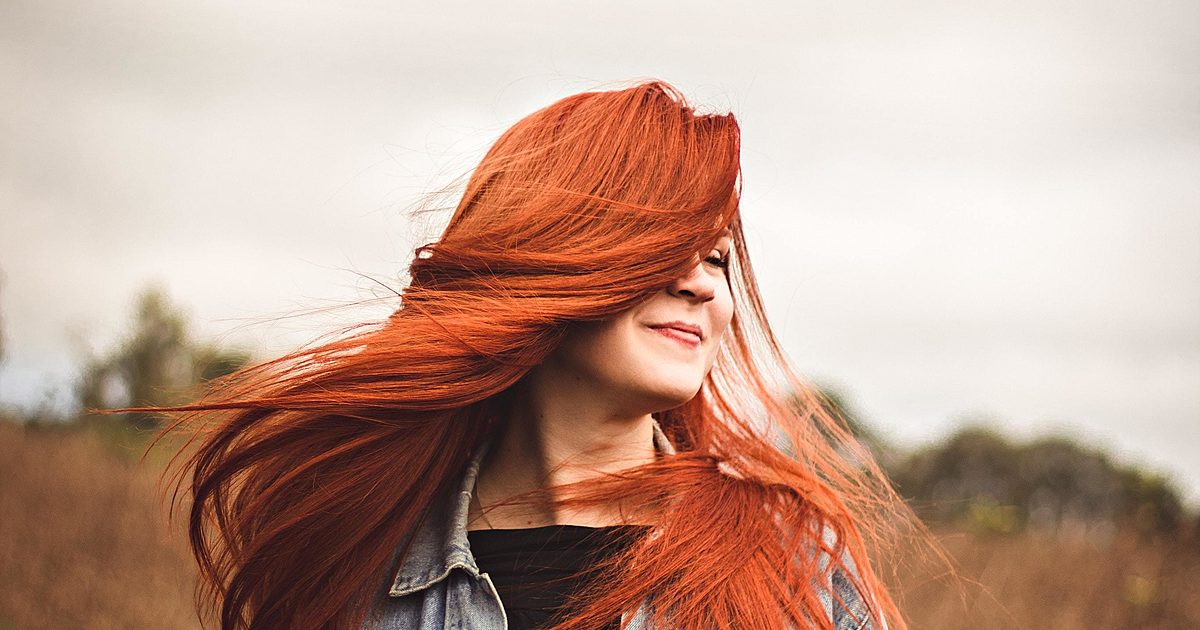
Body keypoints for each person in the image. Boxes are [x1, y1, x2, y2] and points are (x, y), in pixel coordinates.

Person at [156, 80, 917, 629]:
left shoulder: (791, 558)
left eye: (717, 259)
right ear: (550, 255)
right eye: (665, 247)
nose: (701, 287)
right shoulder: (358, 567)